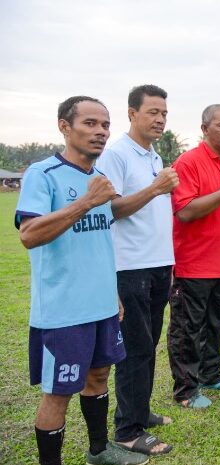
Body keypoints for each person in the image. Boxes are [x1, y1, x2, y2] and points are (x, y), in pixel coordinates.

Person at [16, 96, 148, 465]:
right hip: (62, 311)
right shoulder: (43, 174)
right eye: (90, 123)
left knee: (100, 376)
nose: (100, 132)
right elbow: (29, 234)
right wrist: (85, 203)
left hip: (102, 305)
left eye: (105, 125)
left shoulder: (99, 180)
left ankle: (99, 450)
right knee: (58, 393)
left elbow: (100, 242)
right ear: (64, 126)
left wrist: (112, 295)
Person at [96, 84, 177, 455]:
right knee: (134, 348)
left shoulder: (153, 156)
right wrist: (156, 188)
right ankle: (128, 430)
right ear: (132, 114)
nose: (160, 119)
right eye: (152, 113)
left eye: (163, 113)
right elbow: (110, 208)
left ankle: (139, 410)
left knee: (148, 344)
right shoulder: (116, 156)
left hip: (159, 264)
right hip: (130, 268)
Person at [167, 104, 220, 408]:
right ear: (204, 129)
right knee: (188, 329)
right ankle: (186, 390)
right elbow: (185, 212)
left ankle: (211, 375)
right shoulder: (188, 163)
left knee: (216, 322)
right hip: (193, 264)